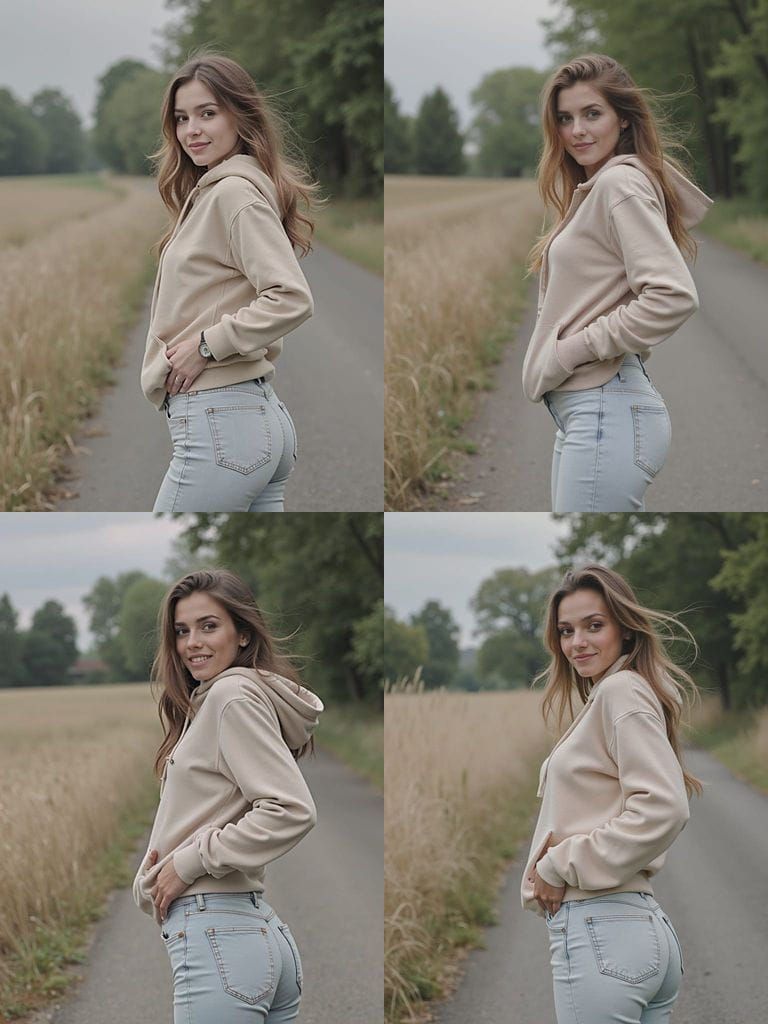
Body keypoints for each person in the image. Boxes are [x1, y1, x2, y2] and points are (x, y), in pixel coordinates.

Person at [521, 54, 713, 512]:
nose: (577, 131)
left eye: (592, 114)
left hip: (604, 410)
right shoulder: (595, 190)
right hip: (589, 412)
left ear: (623, 120)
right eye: (565, 119)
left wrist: (574, 348)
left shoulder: (618, 186)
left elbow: (673, 295)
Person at [132, 569, 324, 1022]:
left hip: (217, 933)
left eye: (208, 626)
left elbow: (291, 810)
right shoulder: (221, 698)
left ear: (242, 634)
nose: (192, 642)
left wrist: (188, 861)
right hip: (249, 932)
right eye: (182, 631)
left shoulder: (231, 697)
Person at [520, 564, 703, 1024]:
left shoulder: (621, 691)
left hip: (601, 929)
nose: (577, 642)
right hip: (636, 929)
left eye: (594, 626)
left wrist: (557, 863)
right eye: (566, 631)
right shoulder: (616, 694)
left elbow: (664, 806)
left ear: (625, 630)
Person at [141, 52, 320, 512]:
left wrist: (206, 343)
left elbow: (291, 297)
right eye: (182, 118)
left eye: (207, 113)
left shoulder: (233, 193)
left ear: (240, 115)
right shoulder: (214, 192)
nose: (192, 130)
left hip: (221, 418)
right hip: (247, 420)